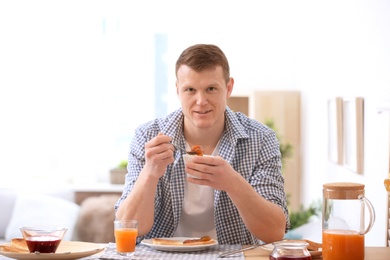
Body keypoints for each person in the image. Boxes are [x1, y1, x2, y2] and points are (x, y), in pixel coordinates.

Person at [115, 43, 290, 245]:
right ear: (178, 91)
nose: (201, 101)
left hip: (232, 257)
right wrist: (150, 173)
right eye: (190, 89)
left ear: (228, 88)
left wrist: (233, 183)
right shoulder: (148, 137)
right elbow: (127, 228)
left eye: (211, 89)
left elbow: (275, 232)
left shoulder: (261, 138)